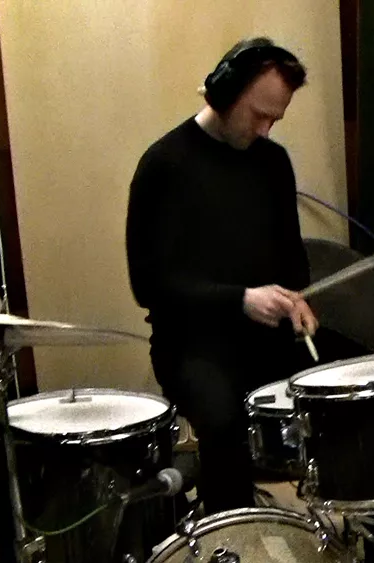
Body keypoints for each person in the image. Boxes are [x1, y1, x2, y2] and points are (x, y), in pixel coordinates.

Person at [125, 37, 321, 514]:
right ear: (225, 94)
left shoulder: (273, 162)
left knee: (357, 386)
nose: (266, 129)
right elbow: (149, 285)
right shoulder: (165, 165)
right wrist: (241, 299)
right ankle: (230, 532)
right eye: (259, 115)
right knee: (223, 419)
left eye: (275, 119)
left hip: (269, 338)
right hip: (193, 345)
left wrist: (296, 298)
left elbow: (292, 262)